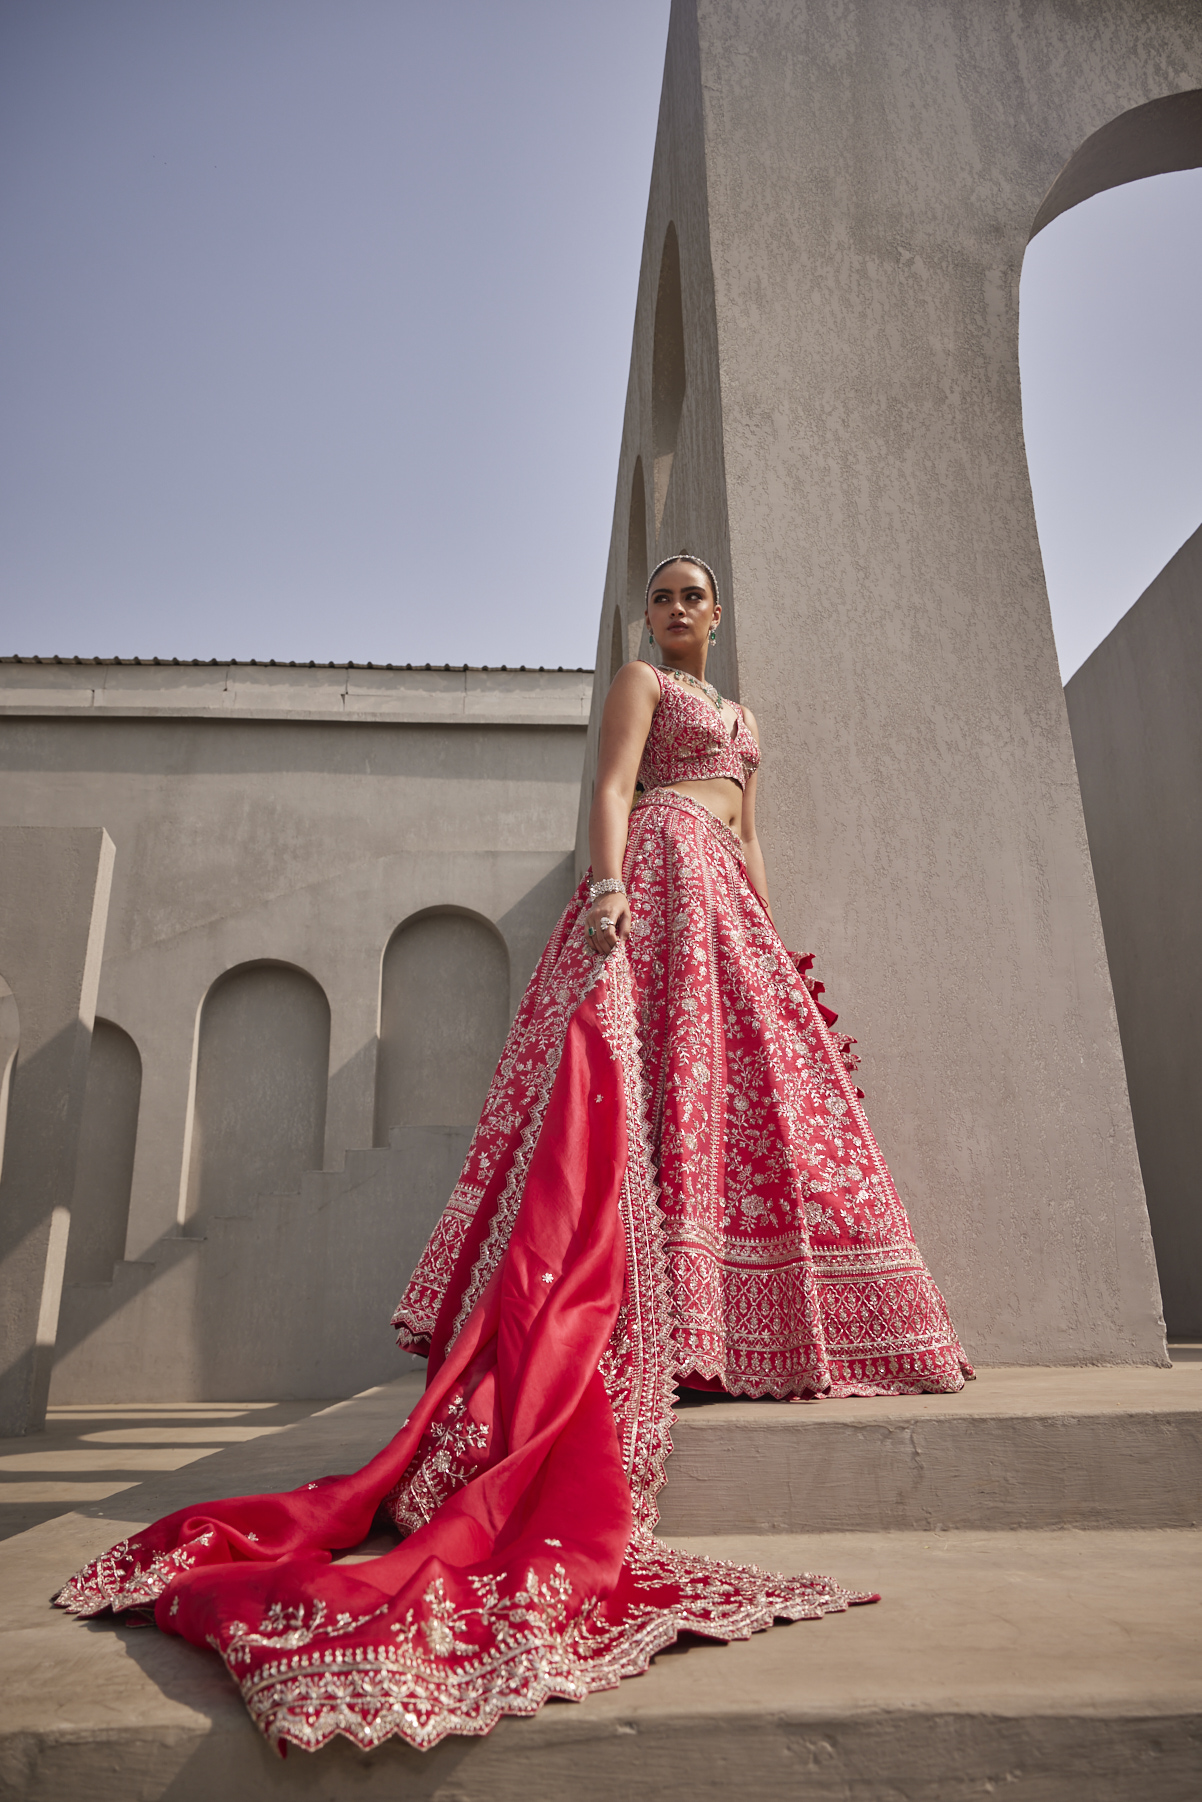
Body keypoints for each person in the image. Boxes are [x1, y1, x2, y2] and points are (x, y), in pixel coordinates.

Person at [56, 552, 971, 1756]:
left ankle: (732, 1326)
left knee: (742, 1111)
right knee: (630, 1105)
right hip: (646, 879)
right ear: (647, 617)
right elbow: (607, 789)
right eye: (663, 594)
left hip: (723, 905)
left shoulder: (745, 719)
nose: (679, 607)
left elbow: (747, 829)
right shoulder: (643, 683)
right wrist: (603, 894)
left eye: (694, 593)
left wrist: (762, 925)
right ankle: (651, 1316)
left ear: (718, 612)